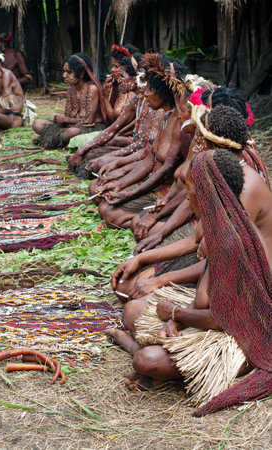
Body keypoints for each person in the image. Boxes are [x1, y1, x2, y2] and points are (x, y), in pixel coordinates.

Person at [106, 149, 272, 416]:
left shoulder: (232, 237)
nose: (187, 195)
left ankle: (136, 348)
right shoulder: (219, 222)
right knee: (133, 310)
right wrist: (177, 319)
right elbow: (206, 299)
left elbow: (222, 319)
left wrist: (174, 313)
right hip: (210, 315)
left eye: (190, 189)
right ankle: (164, 365)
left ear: (206, 192)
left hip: (242, 334)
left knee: (146, 360)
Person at [112, 105, 272, 301]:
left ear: (218, 147)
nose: (199, 145)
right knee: (124, 286)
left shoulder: (245, 188)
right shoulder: (221, 174)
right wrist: (141, 258)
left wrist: (161, 280)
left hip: (240, 280)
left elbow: (222, 260)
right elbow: (196, 241)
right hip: (209, 261)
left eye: (202, 140)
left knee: (131, 302)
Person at [95, 53, 190, 229]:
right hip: (151, 180)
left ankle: (151, 221)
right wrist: (120, 183)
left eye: (150, 89)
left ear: (165, 92)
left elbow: (167, 169)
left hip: (166, 191)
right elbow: (149, 159)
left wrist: (130, 194)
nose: (145, 92)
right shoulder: (165, 116)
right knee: (100, 191)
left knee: (109, 212)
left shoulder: (181, 124)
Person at [32, 53, 105, 149]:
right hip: (71, 126)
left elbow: (88, 121)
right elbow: (67, 116)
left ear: (81, 73)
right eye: (64, 71)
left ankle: (48, 139)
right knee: (37, 124)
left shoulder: (92, 89)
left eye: (69, 72)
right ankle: (61, 140)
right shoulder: (71, 89)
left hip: (90, 128)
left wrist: (65, 120)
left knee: (71, 132)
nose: (64, 75)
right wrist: (64, 120)